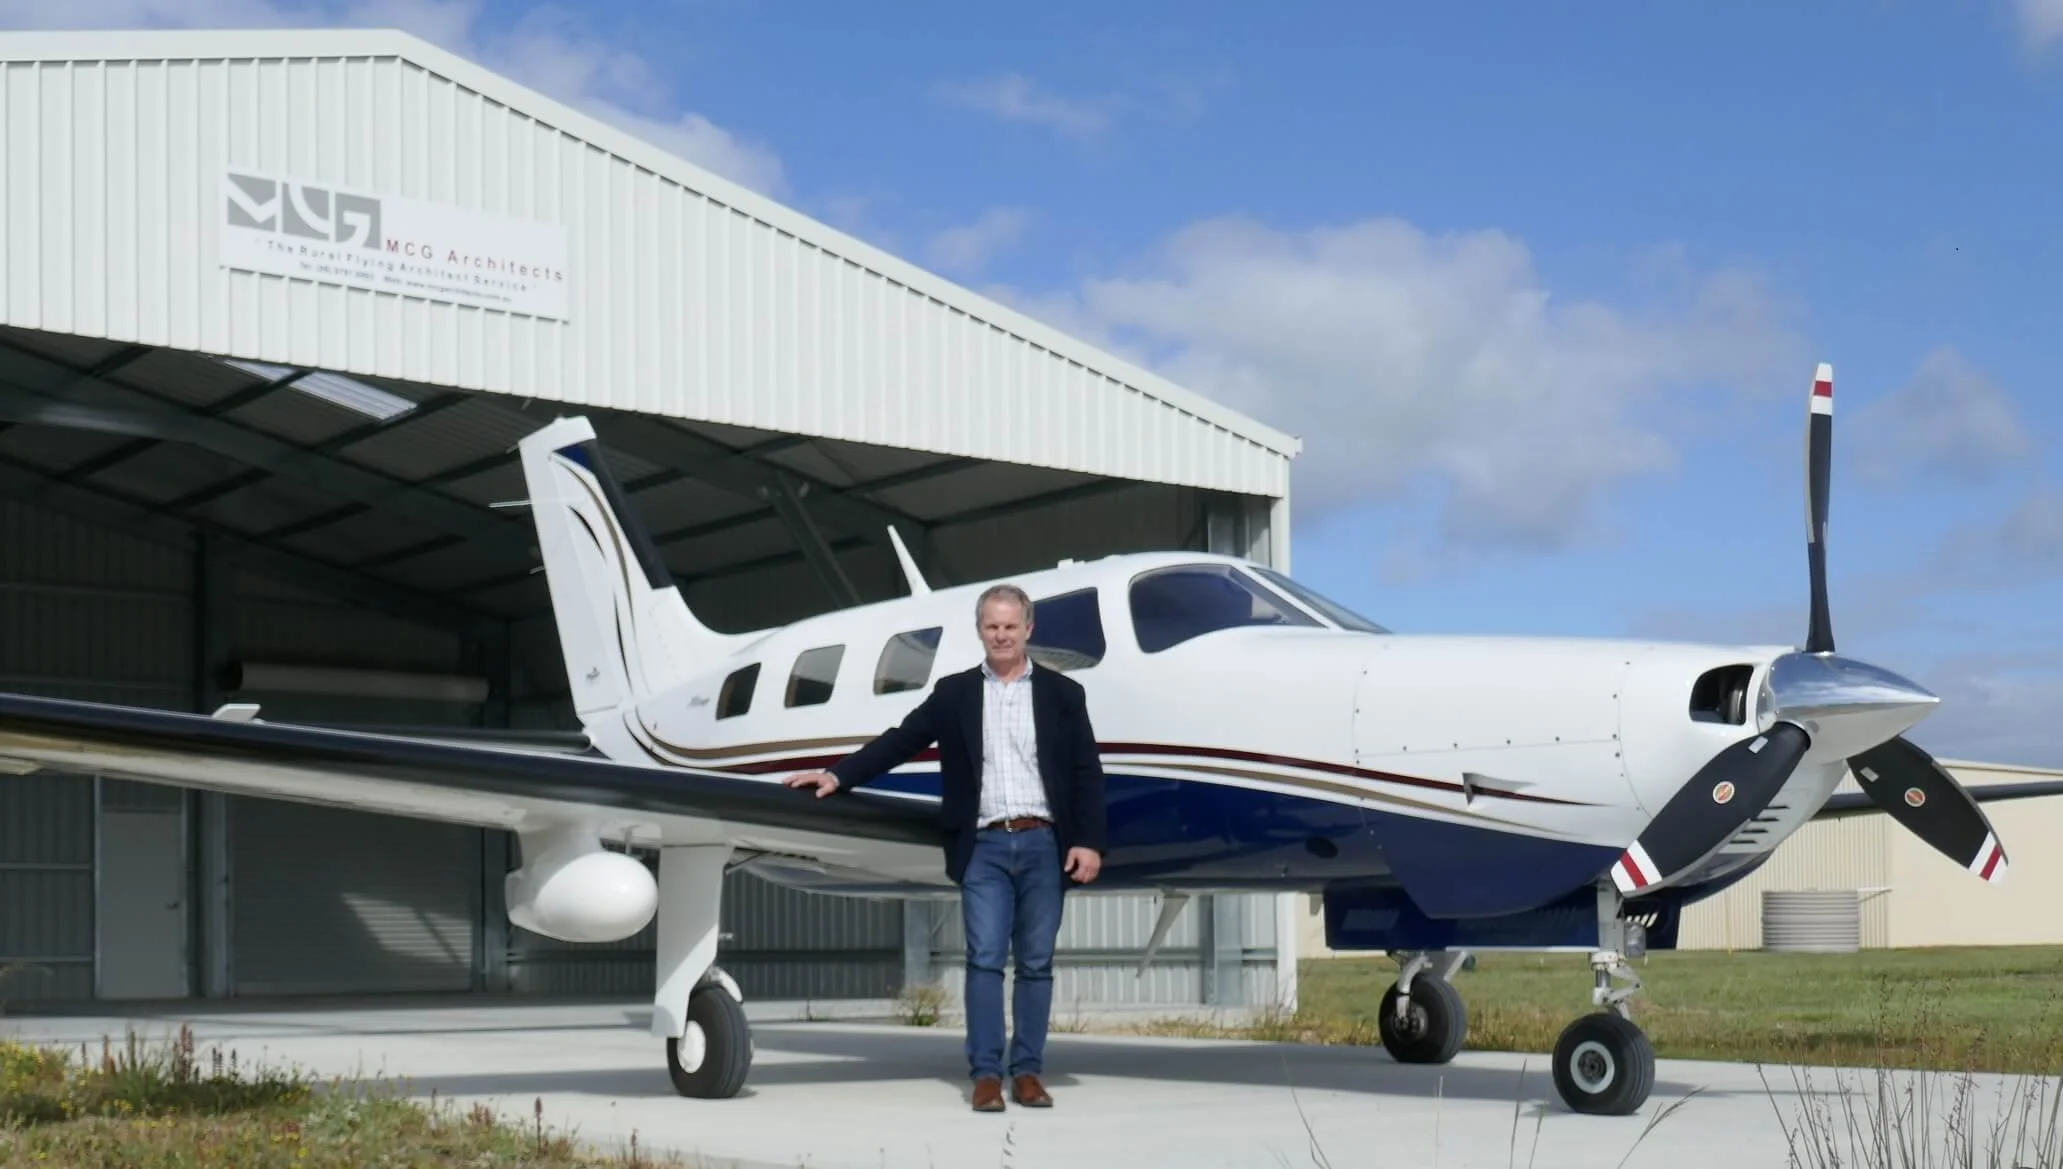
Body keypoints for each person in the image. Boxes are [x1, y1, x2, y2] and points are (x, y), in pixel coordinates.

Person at [784, 583, 1107, 1113]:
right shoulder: (954, 693)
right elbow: (901, 739)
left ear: (1029, 629)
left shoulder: (1063, 695)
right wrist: (838, 775)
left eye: (1010, 626)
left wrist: (1089, 842)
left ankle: (1027, 1072)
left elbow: (1085, 773)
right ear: (980, 631)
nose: (1001, 635)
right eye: (991, 626)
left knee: (1036, 963)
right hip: (982, 846)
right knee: (983, 960)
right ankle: (985, 1075)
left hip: (1043, 844)